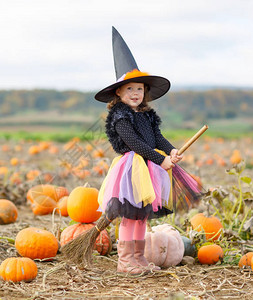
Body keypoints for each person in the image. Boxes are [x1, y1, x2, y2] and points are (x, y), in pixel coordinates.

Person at [94, 27, 183, 275]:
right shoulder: (120, 116)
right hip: (131, 169)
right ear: (119, 92)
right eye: (130, 89)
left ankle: (138, 258)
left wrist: (171, 150)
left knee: (142, 216)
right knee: (130, 216)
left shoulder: (147, 115)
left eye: (140, 89)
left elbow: (156, 138)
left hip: (148, 168)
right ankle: (125, 261)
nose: (135, 93)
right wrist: (160, 160)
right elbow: (136, 144)